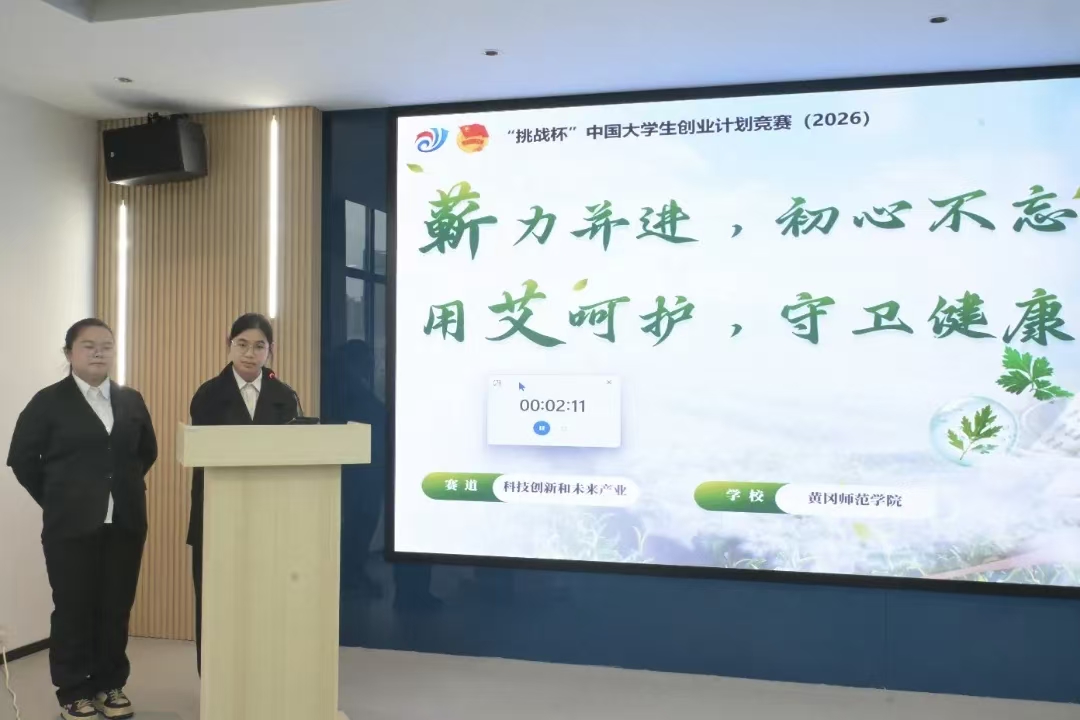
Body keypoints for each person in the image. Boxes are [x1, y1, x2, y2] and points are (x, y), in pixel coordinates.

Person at [6, 318, 158, 720]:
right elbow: (22, 459)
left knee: (115, 607)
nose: (98, 352)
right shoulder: (48, 402)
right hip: (69, 527)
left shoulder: (131, 400)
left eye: (106, 345)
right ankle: (73, 691)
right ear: (69, 353)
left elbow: (147, 452)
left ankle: (110, 684)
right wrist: (58, 499)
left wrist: (119, 489)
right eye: (88, 345)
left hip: (124, 523)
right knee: (73, 608)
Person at [186, 313, 301, 673]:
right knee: (217, 602)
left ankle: (265, 676)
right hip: (218, 516)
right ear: (229, 345)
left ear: (270, 350)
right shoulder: (208, 394)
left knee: (266, 601)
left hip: (271, 516)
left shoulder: (285, 396)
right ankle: (216, 681)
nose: (250, 354)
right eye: (242, 344)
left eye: (259, 346)